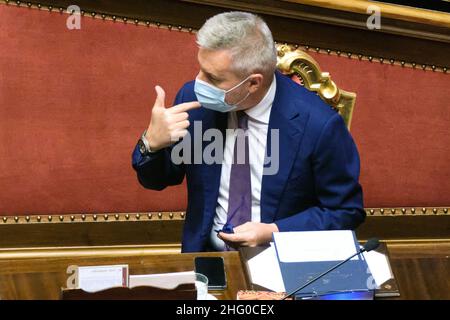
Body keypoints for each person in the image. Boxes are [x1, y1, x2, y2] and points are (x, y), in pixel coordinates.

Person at [132, 11, 365, 253]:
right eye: (200, 69)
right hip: (207, 260)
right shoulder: (193, 101)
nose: (197, 82)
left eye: (212, 77)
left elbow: (346, 212)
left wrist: (274, 232)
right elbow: (157, 180)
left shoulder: (319, 125)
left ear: (253, 82)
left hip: (281, 263)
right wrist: (151, 144)